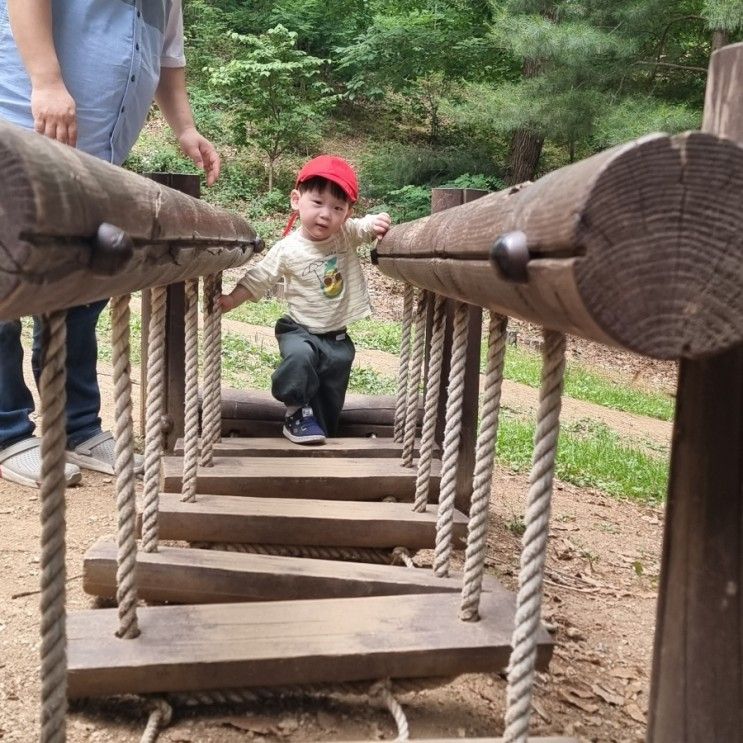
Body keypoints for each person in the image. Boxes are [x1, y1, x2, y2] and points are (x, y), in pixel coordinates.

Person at [0, 0, 220, 488]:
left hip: (97, 156)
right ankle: (7, 430)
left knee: (83, 290)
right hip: (17, 128)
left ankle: (75, 426)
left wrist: (185, 128)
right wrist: (47, 80)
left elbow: (168, 60)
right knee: (5, 286)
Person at [219, 156, 391, 444]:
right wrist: (232, 300)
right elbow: (260, 277)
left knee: (329, 399)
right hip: (299, 329)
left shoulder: (345, 234)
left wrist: (378, 222)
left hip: (337, 339)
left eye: (337, 208)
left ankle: (317, 430)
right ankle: (295, 408)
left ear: (347, 213)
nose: (326, 214)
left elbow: (365, 227)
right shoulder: (288, 248)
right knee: (301, 358)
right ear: (296, 200)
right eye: (317, 203)